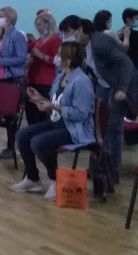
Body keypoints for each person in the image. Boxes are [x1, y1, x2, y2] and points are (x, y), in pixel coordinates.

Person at [12, 42, 95, 201]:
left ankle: (55, 181)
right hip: (56, 123)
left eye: (59, 54)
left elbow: (81, 114)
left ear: (69, 60)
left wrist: (53, 107)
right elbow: (55, 102)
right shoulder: (60, 77)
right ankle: (32, 179)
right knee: (22, 135)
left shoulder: (82, 82)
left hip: (74, 129)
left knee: (38, 142)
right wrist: (40, 99)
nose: (56, 56)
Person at [88, 15, 138, 182]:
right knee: (101, 124)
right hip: (104, 83)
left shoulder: (103, 38)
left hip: (120, 83)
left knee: (114, 124)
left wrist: (122, 88)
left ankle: (114, 167)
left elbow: (125, 61)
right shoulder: (85, 45)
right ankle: (102, 163)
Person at [0, 7, 27, 160]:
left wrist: (0, 60)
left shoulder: (18, 36)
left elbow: (21, 58)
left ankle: (11, 147)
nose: (0, 19)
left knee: (9, 115)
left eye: (2, 16)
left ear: (10, 18)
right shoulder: (0, 35)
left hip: (8, 77)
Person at [25, 11, 62, 126]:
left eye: (39, 24)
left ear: (48, 24)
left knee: (40, 114)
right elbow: (26, 48)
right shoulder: (40, 40)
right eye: (36, 25)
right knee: (30, 111)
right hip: (33, 78)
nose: (37, 27)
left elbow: (58, 61)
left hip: (45, 81)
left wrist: (41, 55)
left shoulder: (55, 39)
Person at [118, 8, 138, 84]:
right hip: (136, 70)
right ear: (128, 19)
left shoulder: (119, 33)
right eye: (137, 18)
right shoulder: (136, 34)